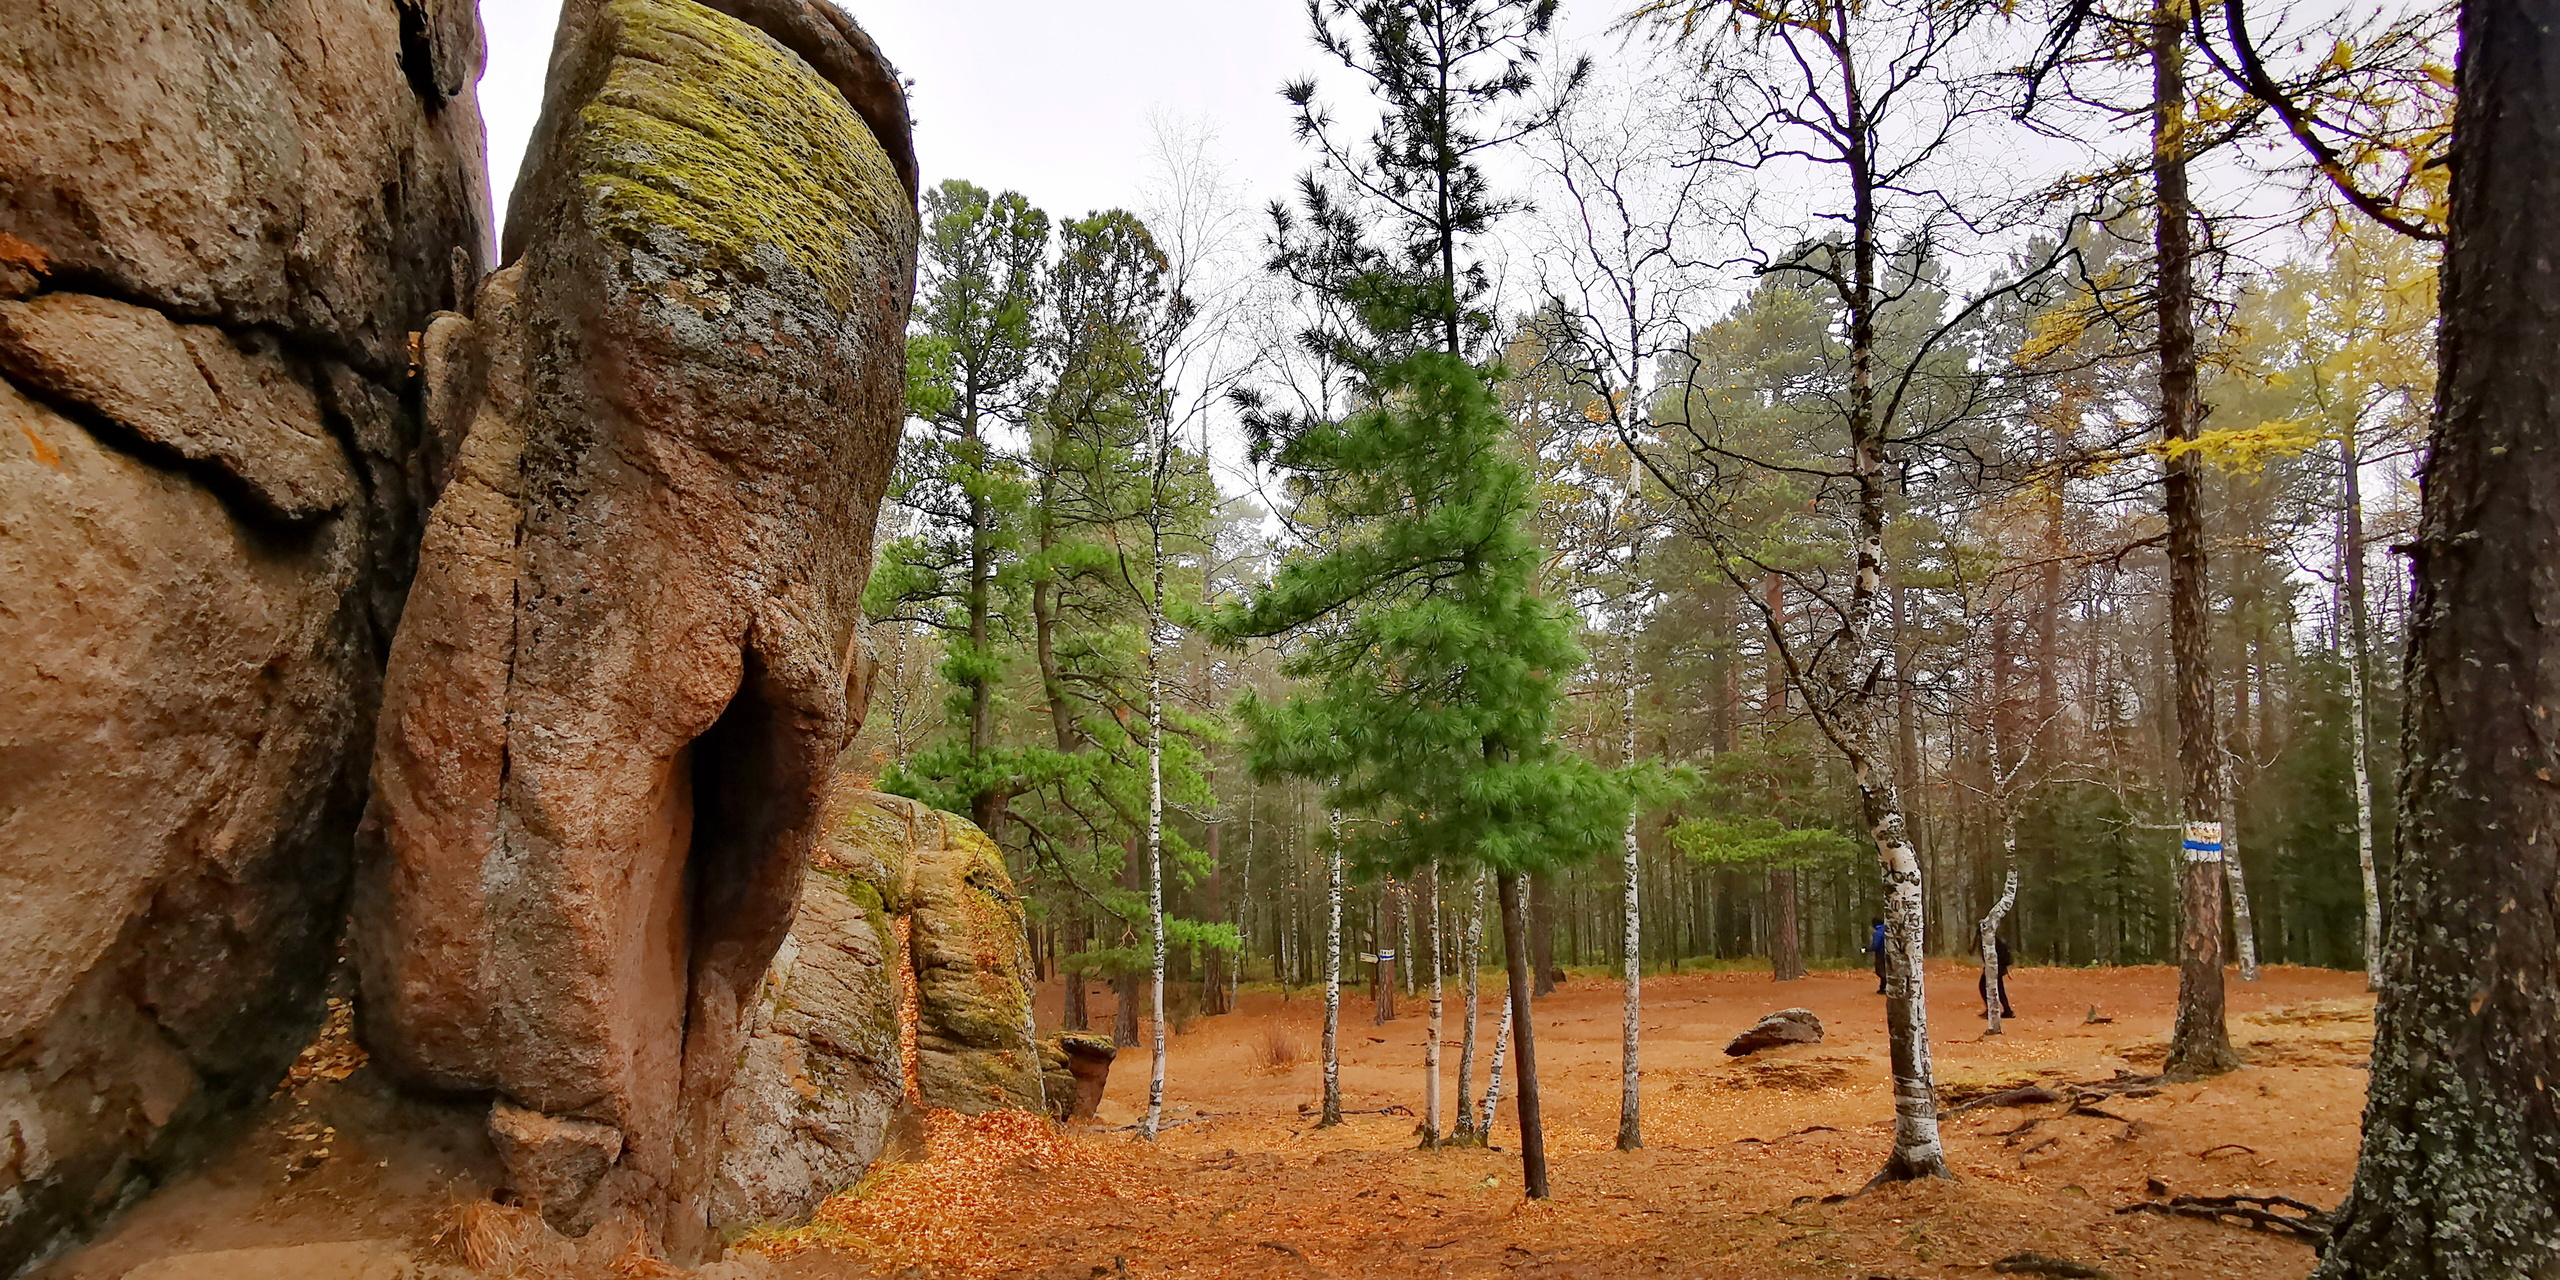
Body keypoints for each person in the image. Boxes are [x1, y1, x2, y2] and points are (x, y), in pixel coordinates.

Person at [1978, 935, 2016, 1018]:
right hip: (1996, 967)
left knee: (1985, 986)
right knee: (1998, 988)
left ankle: (1994, 1010)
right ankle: (2006, 1010)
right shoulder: (1991, 940)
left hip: (1996, 967)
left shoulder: (1991, 941)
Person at [1868, 917, 1888, 994]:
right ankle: (1883, 988)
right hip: (1891, 953)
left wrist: (1867, 949)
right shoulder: (1888, 929)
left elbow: (1876, 945)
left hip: (1881, 954)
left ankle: (1884, 988)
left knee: (1881, 972)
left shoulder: (1878, 933)